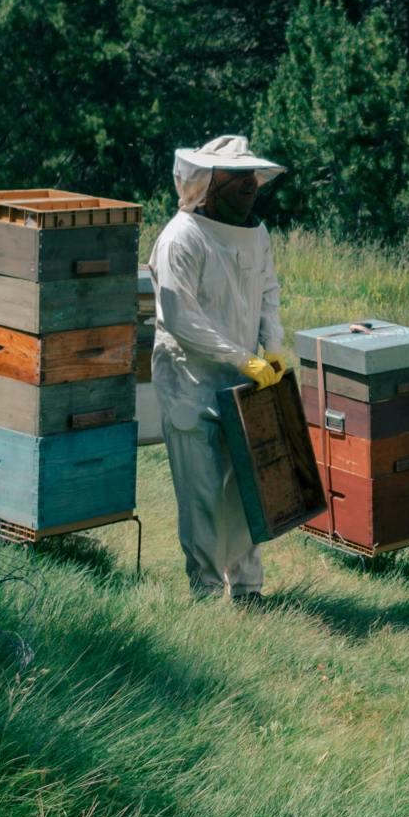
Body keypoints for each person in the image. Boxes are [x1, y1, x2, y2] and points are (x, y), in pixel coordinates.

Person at [150, 135, 289, 605]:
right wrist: (239, 356)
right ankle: (206, 594)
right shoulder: (179, 238)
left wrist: (272, 345)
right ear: (208, 183)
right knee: (204, 493)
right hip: (190, 383)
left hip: (244, 384)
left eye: (252, 176)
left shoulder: (257, 233)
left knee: (247, 489)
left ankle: (248, 589)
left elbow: (267, 291)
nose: (251, 184)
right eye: (239, 177)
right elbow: (179, 317)